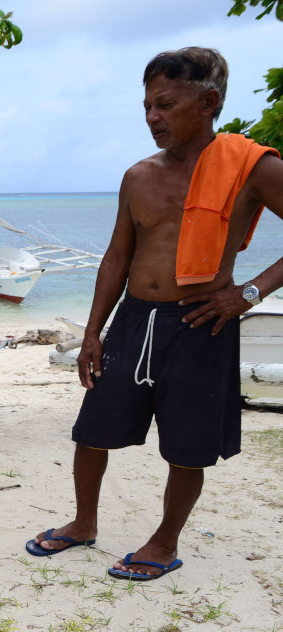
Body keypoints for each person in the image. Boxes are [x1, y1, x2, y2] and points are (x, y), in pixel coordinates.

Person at [26, 48, 282, 580]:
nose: (152, 118)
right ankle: (83, 523)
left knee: (188, 444)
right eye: (146, 106)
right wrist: (92, 331)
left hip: (200, 323)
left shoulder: (254, 168)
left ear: (208, 102)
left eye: (165, 104)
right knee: (92, 429)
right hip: (132, 321)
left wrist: (250, 293)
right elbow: (117, 256)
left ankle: (164, 542)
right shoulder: (138, 176)